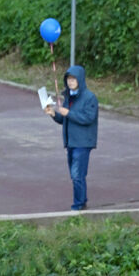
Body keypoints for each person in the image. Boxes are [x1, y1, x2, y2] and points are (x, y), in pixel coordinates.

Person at [45, 64, 99, 213]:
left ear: (80, 80)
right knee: (76, 174)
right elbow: (64, 120)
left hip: (83, 142)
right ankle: (82, 201)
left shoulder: (89, 98)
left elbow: (88, 118)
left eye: (73, 79)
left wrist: (68, 113)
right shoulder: (68, 97)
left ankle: (78, 205)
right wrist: (54, 114)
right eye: (68, 79)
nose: (70, 82)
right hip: (71, 142)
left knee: (77, 174)